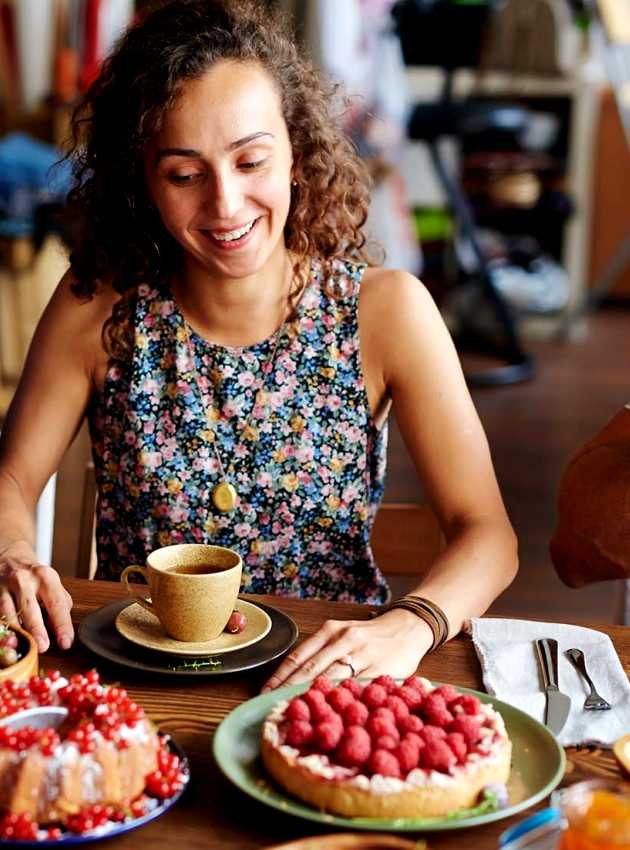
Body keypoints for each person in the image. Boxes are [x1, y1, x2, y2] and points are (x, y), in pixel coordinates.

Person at [0, 0, 517, 689]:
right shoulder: (95, 308)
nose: (225, 205)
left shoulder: (386, 312)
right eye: (185, 175)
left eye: (251, 161)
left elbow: (488, 533)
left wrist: (413, 621)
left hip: (328, 687)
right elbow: (10, 480)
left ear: (298, 153)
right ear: (142, 180)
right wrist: (11, 550)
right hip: (136, 686)